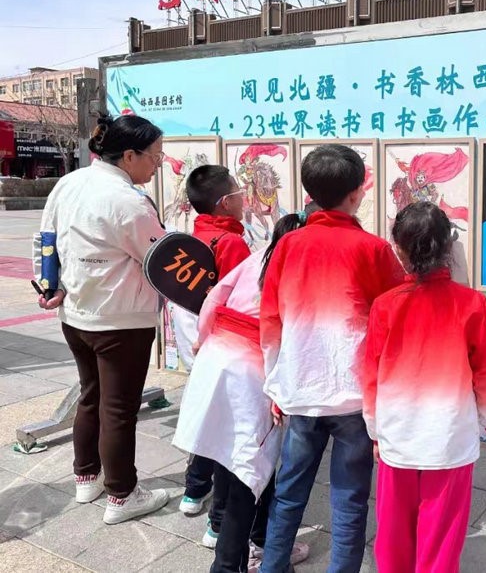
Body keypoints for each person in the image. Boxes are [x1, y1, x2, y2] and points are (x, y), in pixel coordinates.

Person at [260, 144, 405, 573]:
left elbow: (270, 321)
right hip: (353, 395)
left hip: (300, 388)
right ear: (358, 192)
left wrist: (275, 384)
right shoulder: (374, 249)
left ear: (309, 192)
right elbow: (394, 322)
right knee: (350, 500)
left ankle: (272, 566)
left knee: (288, 492)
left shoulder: (288, 246)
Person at [362, 201, 486, 572]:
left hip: (398, 435)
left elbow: (370, 376)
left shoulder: (384, 306)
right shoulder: (473, 304)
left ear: (399, 249)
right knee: (442, 538)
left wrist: (376, 433)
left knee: (393, 536)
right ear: (448, 246)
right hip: (450, 439)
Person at [36, 114, 169, 524]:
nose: (158, 164)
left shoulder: (69, 183)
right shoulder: (129, 201)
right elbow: (160, 258)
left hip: (76, 314)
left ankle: (86, 477)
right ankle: (122, 494)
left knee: (91, 396)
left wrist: (50, 285)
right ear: (129, 155)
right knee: (119, 408)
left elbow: (46, 240)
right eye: (155, 156)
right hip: (120, 320)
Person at [173, 208, 320, 573]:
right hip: (252, 373)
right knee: (247, 473)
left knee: (228, 458)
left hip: (215, 357)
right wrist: (283, 391)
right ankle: (229, 564)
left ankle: (244, 543)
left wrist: (201, 341)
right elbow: (287, 339)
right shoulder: (299, 273)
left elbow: (213, 298)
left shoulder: (257, 258)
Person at [177, 165, 253, 546]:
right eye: (238, 192)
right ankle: (218, 523)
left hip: (197, 342)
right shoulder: (232, 243)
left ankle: (193, 491)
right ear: (225, 202)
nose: (243, 197)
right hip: (224, 345)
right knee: (226, 432)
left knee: (208, 417)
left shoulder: (196, 235)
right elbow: (241, 300)